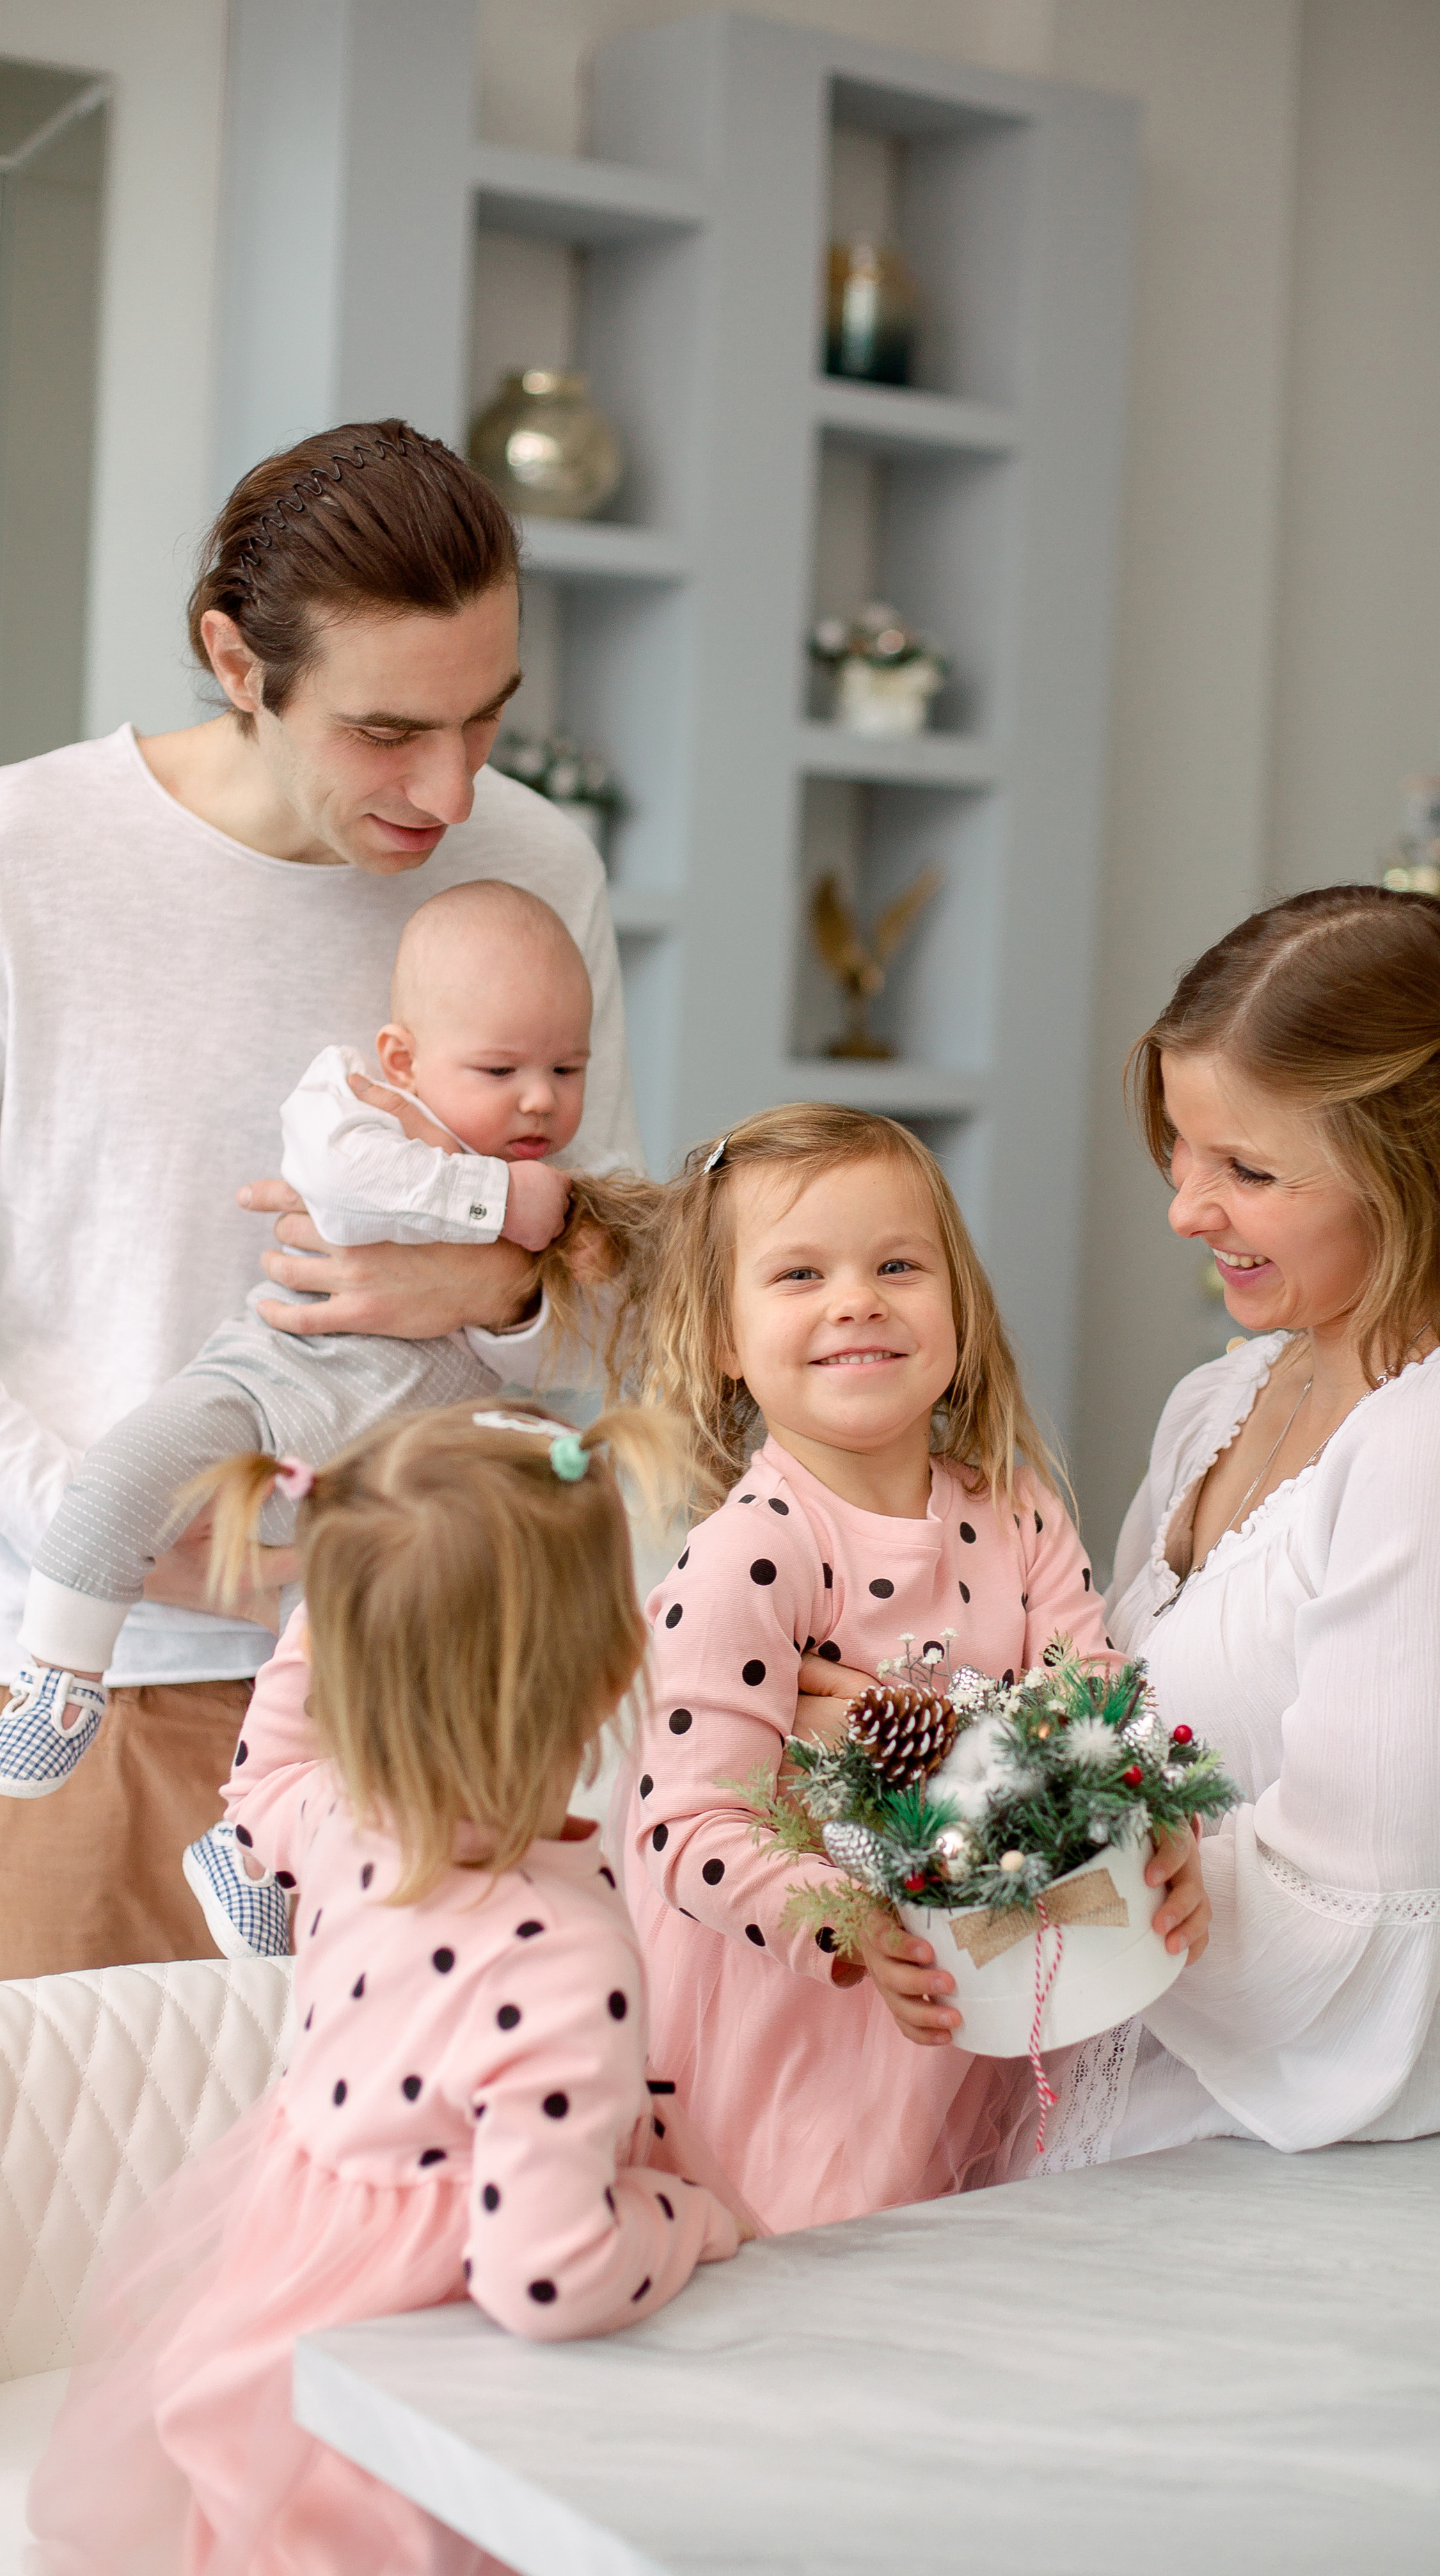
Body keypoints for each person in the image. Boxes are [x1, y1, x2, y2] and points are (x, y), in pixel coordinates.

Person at [0, 420, 639, 1975]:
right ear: (237, 659)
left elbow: (618, 1285)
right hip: (96, 1681)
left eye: (486, 720)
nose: (447, 785)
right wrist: (127, 1540)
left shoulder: (533, 868)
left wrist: (490, 1294)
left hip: (441, 1700)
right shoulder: (25, 861)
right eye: (385, 731)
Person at [26, 1399, 747, 2576]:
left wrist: (340, 1592)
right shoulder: (561, 1960)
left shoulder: (343, 1827)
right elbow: (547, 2276)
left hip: (276, 2342)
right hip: (417, 2411)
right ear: (623, 1661)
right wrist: (692, 2223)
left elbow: (273, 1768)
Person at [1001, 882, 1440, 2167]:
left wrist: (1045, 1871)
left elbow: (1350, 1927)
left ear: (1417, 1159)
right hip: (1088, 2128)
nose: (1184, 1208)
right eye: (1179, 1149)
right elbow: (1099, 1745)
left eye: (1249, 1170)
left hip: (1264, 2183)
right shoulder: (1218, 1401)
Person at [5, 880, 641, 1957]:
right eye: (501, 1072)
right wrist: (503, 1213)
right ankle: (55, 1678)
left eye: (565, 1073)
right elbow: (344, 1182)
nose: (538, 1103)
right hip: (271, 1389)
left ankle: (249, 1849)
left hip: (382, 1477)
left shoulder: (554, 1171)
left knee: (344, 1672)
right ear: (402, 1058)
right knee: (129, 1474)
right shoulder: (361, 1104)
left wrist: (502, 1288)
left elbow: (614, 1311)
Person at [615, 1105, 1210, 2233]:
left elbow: (1093, 1697)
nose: (857, 1300)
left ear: (960, 1308)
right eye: (798, 1274)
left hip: (969, 1999)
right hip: (794, 2011)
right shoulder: (753, 1551)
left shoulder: (1016, 1508)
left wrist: (1154, 1818)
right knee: (799, 2281)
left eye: (898, 1264)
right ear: (726, 1340)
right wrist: (846, 1921)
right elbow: (685, 1826)